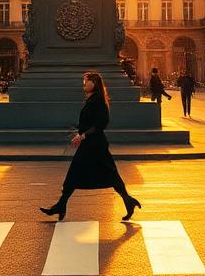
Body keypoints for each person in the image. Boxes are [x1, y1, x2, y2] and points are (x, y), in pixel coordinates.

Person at [39, 71, 141, 222]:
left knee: (105, 173)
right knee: (99, 173)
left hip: (95, 144)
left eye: (86, 81)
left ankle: (61, 205)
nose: (84, 84)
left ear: (94, 83)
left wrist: (83, 135)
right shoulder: (93, 99)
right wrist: (80, 134)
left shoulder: (98, 100)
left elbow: (102, 123)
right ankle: (61, 205)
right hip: (92, 143)